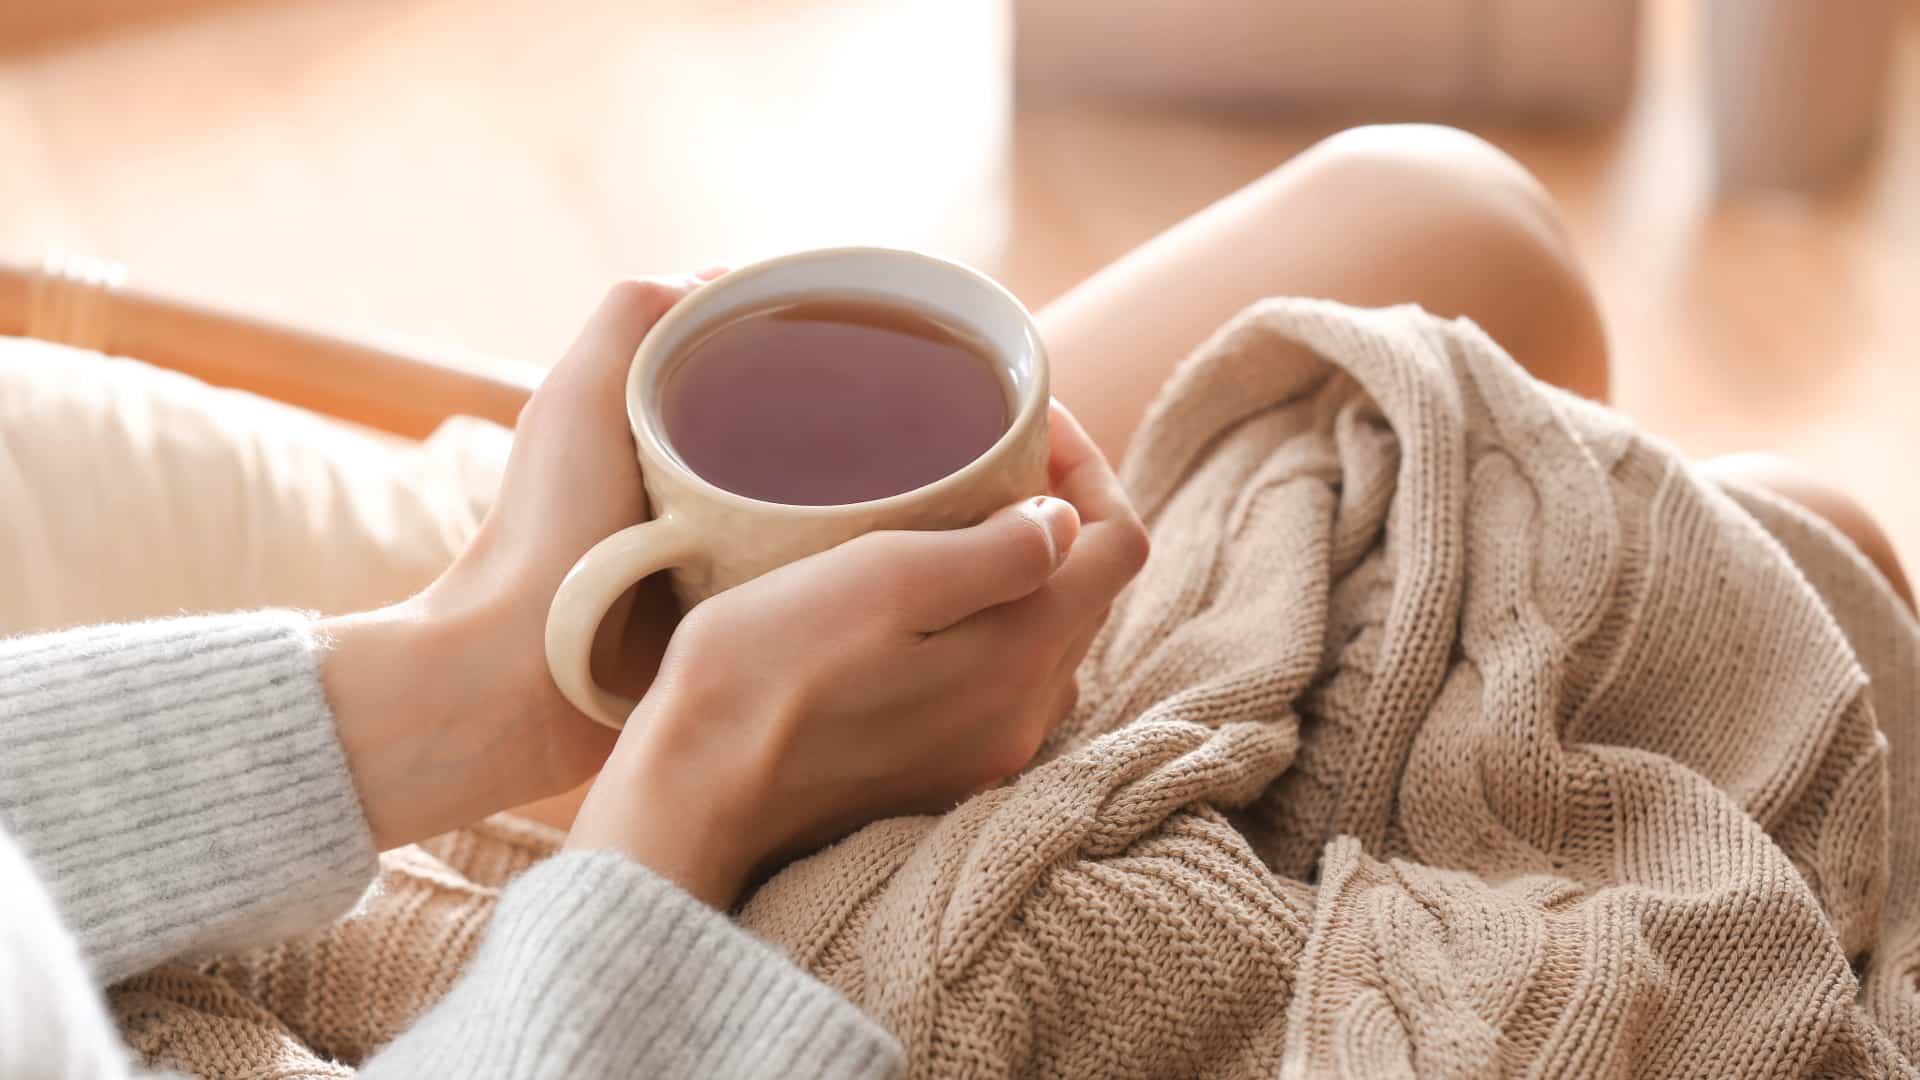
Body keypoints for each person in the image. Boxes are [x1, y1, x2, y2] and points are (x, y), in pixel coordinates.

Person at [0, 124, 1907, 1079]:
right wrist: (686, 809)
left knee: (1452, 224)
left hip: (274, 860)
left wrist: (462, 684)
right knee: (1802, 556)